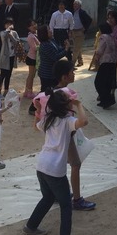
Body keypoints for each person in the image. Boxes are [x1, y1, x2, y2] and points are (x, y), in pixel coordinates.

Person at [23, 89, 89, 235]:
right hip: (55, 170)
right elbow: (84, 121)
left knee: (47, 197)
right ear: (66, 105)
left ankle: (31, 226)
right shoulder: (67, 121)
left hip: (42, 166)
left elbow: (35, 127)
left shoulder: (50, 119)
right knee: (66, 204)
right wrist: (79, 105)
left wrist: (39, 111)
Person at [32, 58, 96, 212]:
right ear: (64, 76)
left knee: (63, 164)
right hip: (67, 135)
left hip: (52, 135)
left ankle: (55, 194)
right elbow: (80, 119)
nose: (73, 74)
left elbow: (39, 119)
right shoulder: (67, 94)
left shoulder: (46, 95)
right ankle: (77, 200)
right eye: (71, 72)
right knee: (75, 164)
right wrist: (78, 104)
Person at [94, 21, 117, 109]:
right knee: (107, 82)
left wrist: (96, 57)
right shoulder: (112, 37)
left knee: (98, 82)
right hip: (112, 62)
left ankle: (105, 99)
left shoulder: (103, 38)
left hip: (105, 62)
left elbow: (100, 50)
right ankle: (106, 100)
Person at [38, 25, 71, 94]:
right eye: (49, 30)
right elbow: (55, 57)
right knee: (46, 92)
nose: (51, 31)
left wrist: (65, 46)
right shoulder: (45, 45)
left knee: (54, 91)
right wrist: (66, 50)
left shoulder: (51, 40)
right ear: (44, 33)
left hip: (52, 72)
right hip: (46, 74)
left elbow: (58, 49)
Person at [0, 17, 20, 93]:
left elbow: (17, 42)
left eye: (10, 24)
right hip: (4, 56)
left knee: (9, 74)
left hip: (12, 56)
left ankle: (6, 90)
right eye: (7, 24)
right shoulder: (2, 32)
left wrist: (11, 35)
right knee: (2, 74)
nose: (9, 25)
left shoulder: (14, 33)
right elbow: (4, 38)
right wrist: (8, 31)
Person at [72, 0, 92, 68]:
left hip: (80, 32)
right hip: (73, 32)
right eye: (74, 4)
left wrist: (84, 28)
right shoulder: (72, 12)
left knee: (76, 49)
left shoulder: (82, 12)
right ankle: (80, 61)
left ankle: (72, 64)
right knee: (78, 47)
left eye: (76, 4)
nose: (74, 5)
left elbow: (89, 20)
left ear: (79, 6)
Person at [24, 20, 40, 98]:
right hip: (32, 58)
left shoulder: (34, 35)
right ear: (28, 27)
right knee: (31, 75)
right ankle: (29, 91)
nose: (34, 26)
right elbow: (34, 48)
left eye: (35, 24)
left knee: (31, 75)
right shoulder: (31, 36)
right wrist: (41, 46)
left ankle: (27, 91)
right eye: (32, 25)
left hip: (33, 58)